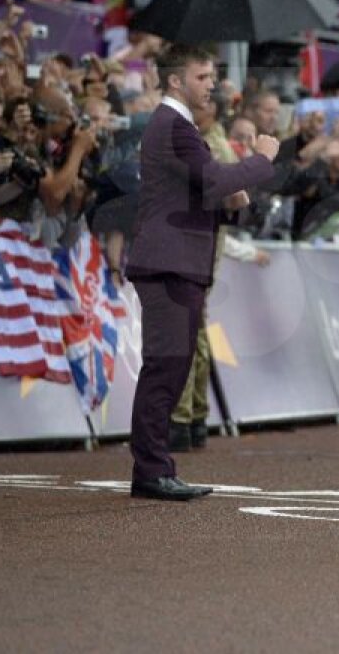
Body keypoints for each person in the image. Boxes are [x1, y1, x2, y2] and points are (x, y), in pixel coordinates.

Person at [124, 45, 280, 501]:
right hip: (168, 262)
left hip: (177, 261)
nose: (211, 84)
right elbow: (211, 180)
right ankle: (151, 470)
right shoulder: (172, 124)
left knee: (171, 367)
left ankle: (155, 468)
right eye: (202, 76)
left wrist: (230, 192)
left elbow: (204, 187)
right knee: (166, 367)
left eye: (212, 76)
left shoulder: (177, 125)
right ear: (175, 81)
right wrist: (261, 160)